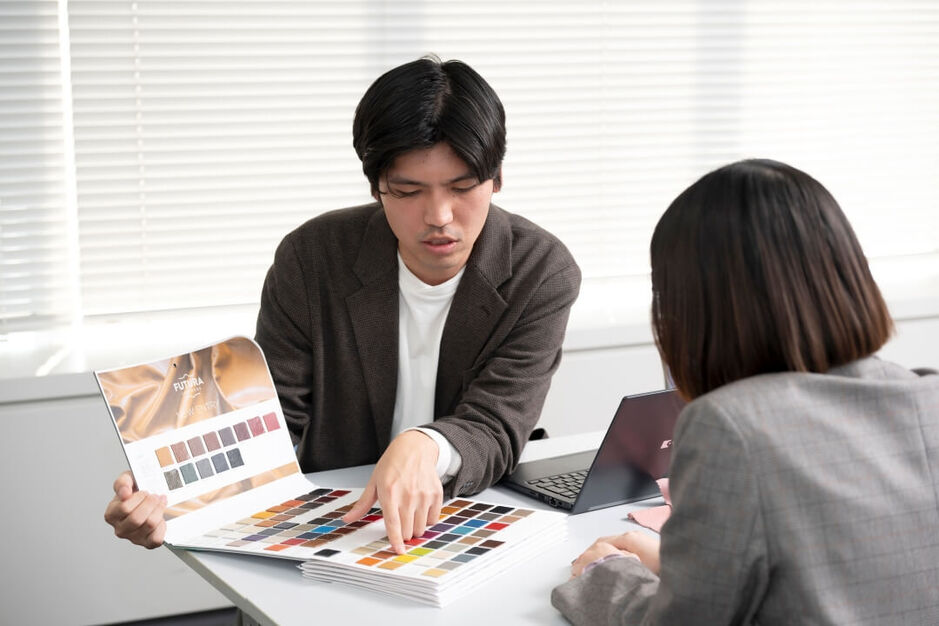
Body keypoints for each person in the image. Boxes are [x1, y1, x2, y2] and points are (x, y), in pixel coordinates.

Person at [104, 56, 581, 555]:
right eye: (408, 190)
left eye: (462, 188)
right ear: (376, 185)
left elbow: (496, 423)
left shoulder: (541, 270)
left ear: (497, 177)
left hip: (467, 509)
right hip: (333, 516)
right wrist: (171, 495)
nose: (439, 216)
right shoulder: (312, 257)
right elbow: (273, 415)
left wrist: (424, 445)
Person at [552, 159, 939, 624]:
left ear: (692, 308)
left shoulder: (729, 426)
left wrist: (605, 574)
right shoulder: (926, 394)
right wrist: (676, 566)